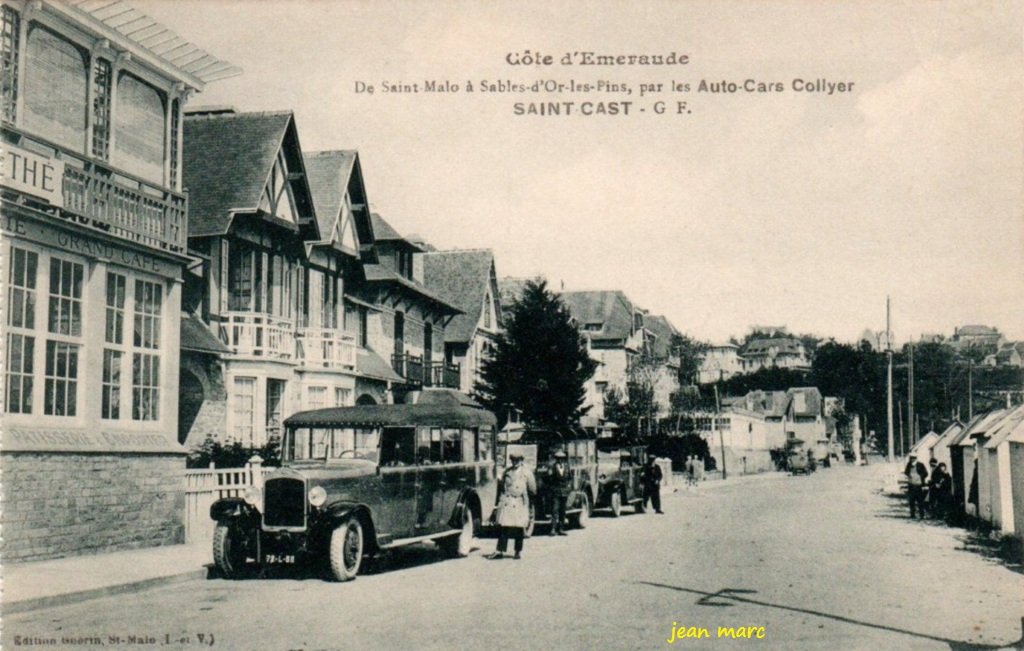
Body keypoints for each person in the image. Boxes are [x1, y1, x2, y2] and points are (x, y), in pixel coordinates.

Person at [489, 453, 536, 559]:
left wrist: (528, 503)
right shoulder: (507, 472)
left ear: (521, 460)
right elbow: (501, 487)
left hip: (520, 501)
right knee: (504, 527)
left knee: (519, 528)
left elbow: (533, 490)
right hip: (508, 501)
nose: (515, 462)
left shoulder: (527, 473)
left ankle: (518, 551)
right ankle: (500, 551)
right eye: (513, 460)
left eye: (517, 460)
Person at [547, 449, 571, 536]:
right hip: (556, 491)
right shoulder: (552, 467)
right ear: (556, 459)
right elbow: (549, 479)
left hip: (564, 492)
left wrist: (568, 488)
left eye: (562, 458)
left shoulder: (567, 467)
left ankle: (561, 529)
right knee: (555, 510)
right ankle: (553, 529)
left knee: (563, 511)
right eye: (558, 458)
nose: (560, 460)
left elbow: (569, 479)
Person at [904, 454, 928, 520]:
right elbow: (906, 472)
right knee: (912, 501)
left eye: (913, 458)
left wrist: (920, 477)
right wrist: (910, 476)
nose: (912, 459)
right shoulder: (909, 465)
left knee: (920, 501)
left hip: (919, 486)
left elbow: (926, 473)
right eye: (911, 458)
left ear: (916, 458)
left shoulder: (920, 465)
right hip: (911, 486)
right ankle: (912, 514)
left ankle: (921, 515)